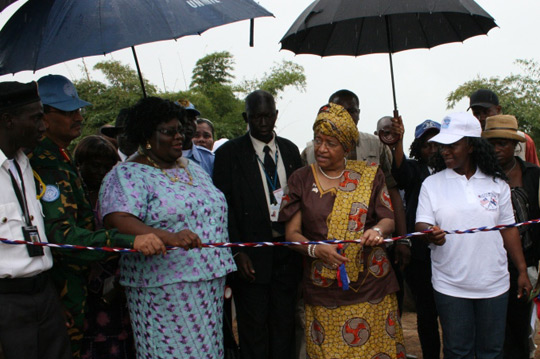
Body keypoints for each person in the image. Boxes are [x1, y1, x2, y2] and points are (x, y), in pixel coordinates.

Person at [29, 74, 164, 359]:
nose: (77, 117)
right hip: (62, 293)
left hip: (77, 291)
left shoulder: (59, 158)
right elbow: (61, 238)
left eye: (78, 109)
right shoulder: (44, 163)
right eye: (67, 112)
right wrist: (128, 240)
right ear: (43, 116)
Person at [99, 97, 236, 358]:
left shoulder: (193, 169)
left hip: (208, 283)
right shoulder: (127, 175)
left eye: (180, 130)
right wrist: (169, 237)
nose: (179, 137)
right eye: (168, 131)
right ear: (147, 135)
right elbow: (117, 219)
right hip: (164, 288)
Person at [280, 103, 405, 359]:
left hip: (372, 285)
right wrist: (316, 249)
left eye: (331, 143)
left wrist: (377, 231)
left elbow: (388, 218)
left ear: (347, 147)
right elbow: (292, 235)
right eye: (318, 140)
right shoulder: (301, 179)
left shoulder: (370, 175)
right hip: (324, 286)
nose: (322, 148)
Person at [416, 112, 532, 359]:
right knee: (458, 351)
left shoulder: (496, 184)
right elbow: (422, 222)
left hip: (494, 285)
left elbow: (508, 229)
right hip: (450, 286)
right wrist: (429, 233)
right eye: (443, 145)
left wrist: (521, 270)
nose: (445, 151)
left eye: (453, 145)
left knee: (491, 351)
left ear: (470, 145)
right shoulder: (432, 184)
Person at [213, 90, 303, 359]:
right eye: (256, 117)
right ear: (246, 117)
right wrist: (237, 252)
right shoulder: (230, 153)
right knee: (254, 329)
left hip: (286, 254)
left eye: (267, 116)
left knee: (284, 327)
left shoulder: (289, 150)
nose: (262, 122)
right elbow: (223, 207)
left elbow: (299, 200)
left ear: (275, 115)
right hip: (251, 257)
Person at [0, 81, 72, 359]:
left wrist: (50, 298)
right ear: (8, 120)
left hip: (43, 294)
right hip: (7, 304)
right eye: (36, 117)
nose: (44, 126)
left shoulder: (23, 164)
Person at [482, 114, 540, 359]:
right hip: (488, 263)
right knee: (493, 328)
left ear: (514, 145)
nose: (497, 149)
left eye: (503, 143)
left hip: (525, 262)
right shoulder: (479, 176)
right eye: (492, 143)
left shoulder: (533, 175)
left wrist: (529, 267)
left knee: (519, 325)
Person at [73, 135, 136, 359]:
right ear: (79, 164)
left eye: (106, 167)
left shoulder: (115, 196)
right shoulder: (73, 194)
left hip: (114, 281)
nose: (100, 172)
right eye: (94, 166)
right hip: (81, 282)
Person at [391, 118, 442, 359]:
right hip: (422, 254)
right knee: (426, 312)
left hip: (449, 252)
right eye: (426, 145)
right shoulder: (414, 169)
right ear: (418, 147)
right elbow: (399, 171)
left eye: (436, 144)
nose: (432, 150)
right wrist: (398, 139)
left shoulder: (451, 169)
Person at [469, 89, 539, 165]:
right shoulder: (470, 141)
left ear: (498, 109)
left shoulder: (524, 141)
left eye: (486, 112)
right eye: (476, 113)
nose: (481, 118)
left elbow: (534, 172)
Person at [178, 99, 215, 175]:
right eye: (183, 119)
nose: (188, 123)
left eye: (192, 119)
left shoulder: (209, 159)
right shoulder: (160, 158)